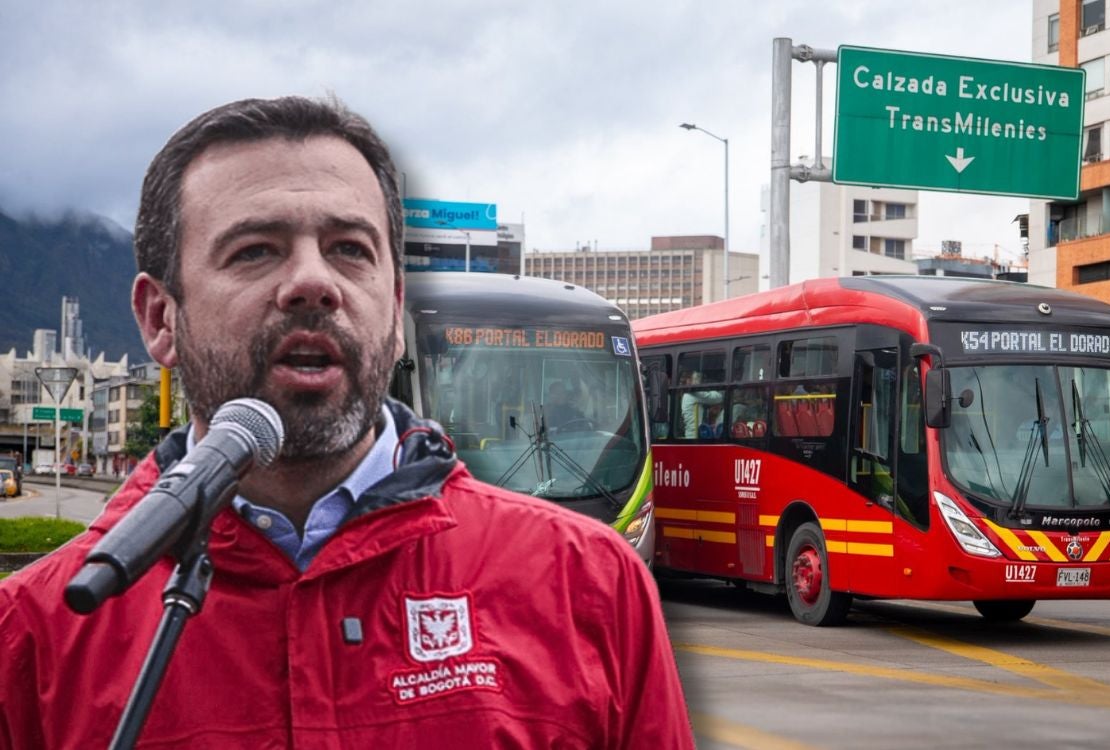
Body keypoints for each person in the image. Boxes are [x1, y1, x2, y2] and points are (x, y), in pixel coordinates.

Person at [0, 96, 692, 748]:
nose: (312, 281)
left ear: (393, 310)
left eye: (350, 249)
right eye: (255, 250)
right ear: (160, 318)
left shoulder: (589, 584)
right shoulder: (35, 633)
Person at [680, 369, 724, 439]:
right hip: (694, 437)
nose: (699, 382)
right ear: (689, 381)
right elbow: (718, 398)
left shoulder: (686, 395)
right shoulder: (694, 393)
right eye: (696, 378)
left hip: (691, 435)